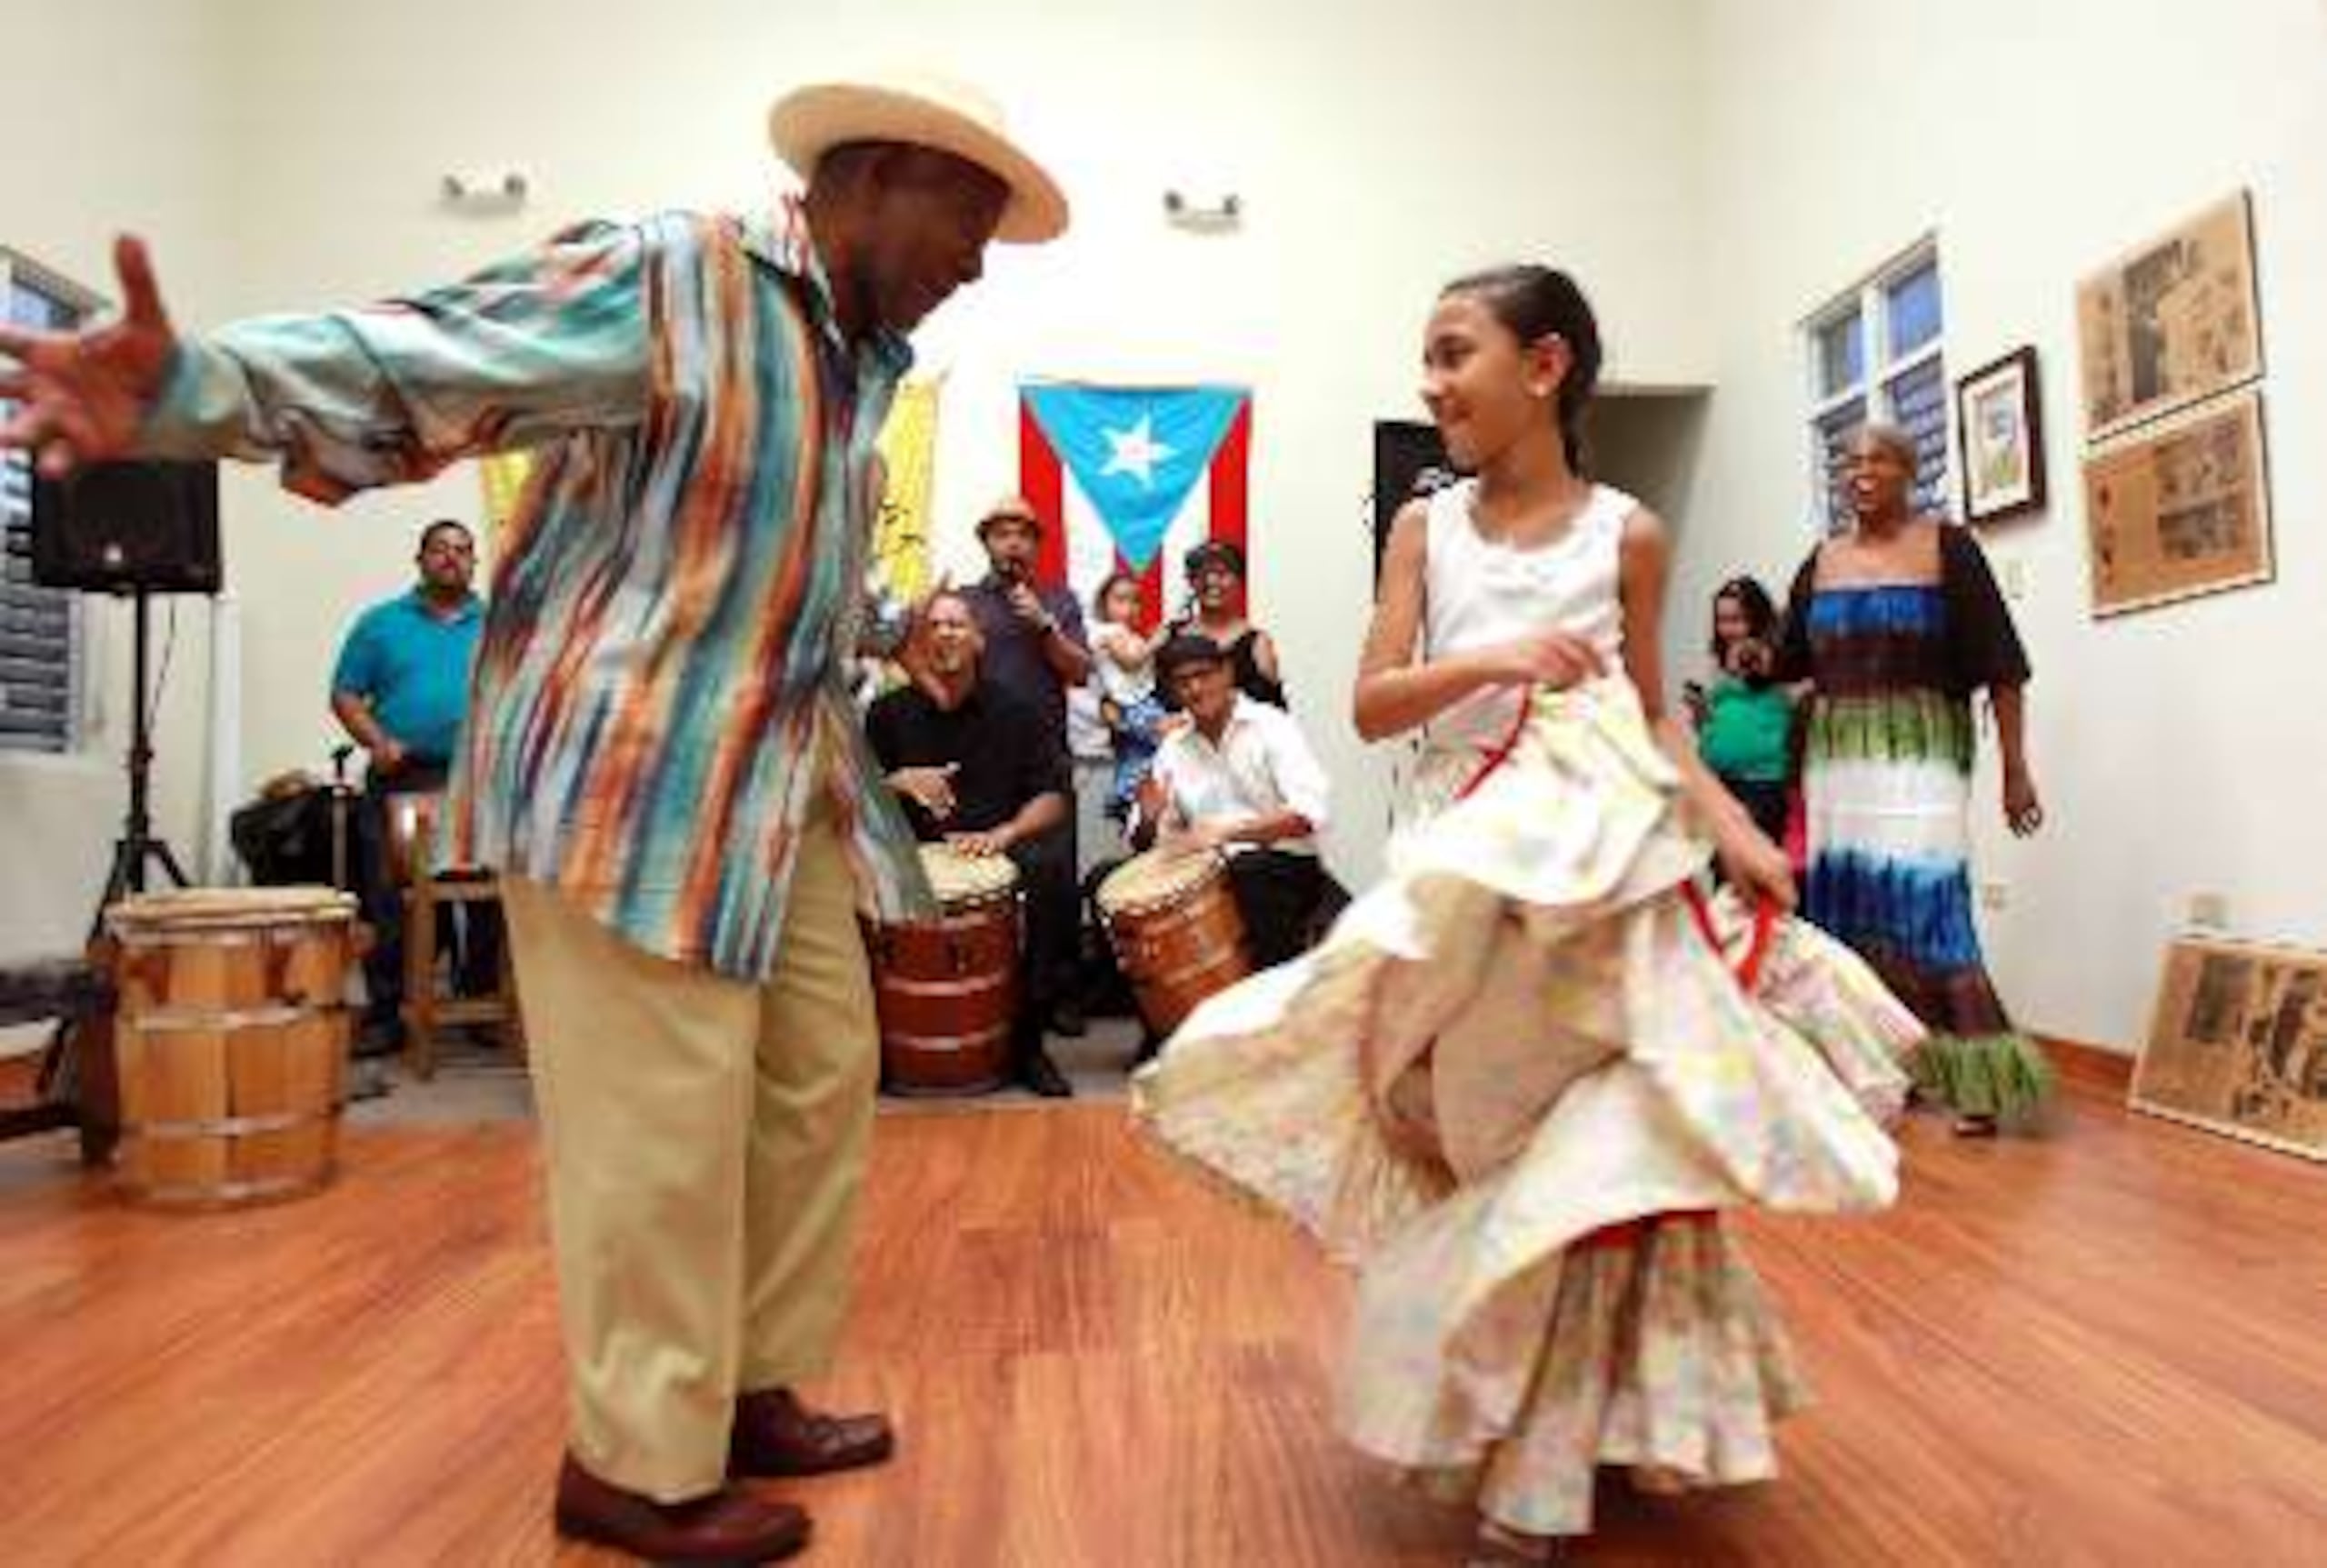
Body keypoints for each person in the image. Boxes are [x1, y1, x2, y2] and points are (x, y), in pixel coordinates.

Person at [1, 70, 1068, 1564]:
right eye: (968, 219)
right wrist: (194, 392)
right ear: (880, 172)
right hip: (634, 777)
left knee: (821, 1078)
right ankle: (636, 1461)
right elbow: (434, 353)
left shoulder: (853, 355)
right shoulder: (676, 275)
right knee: (663, 1128)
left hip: (787, 783)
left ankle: (746, 1385)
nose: (975, 262)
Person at [1133, 265, 1917, 1559]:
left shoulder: (1630, 533)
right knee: (1475, 1137)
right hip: (1465, 859)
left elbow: (1658, 712)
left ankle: (1571, 1440)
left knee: (1609, 1150)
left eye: (1454, 353)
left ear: (1543, 366)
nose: (1430, 381)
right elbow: (1379, 702)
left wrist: (1737, 834)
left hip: (1606, 862)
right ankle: (1522, 1406)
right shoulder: (1423, 531)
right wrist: (1495, 657)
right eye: (1425, 357)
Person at [1773, 422, 2051, 1136]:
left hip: (1922, 756)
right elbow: (1787, 661)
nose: (1860, 472)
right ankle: (1872, 1069)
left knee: (1931, 907)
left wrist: (2014, 770)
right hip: (1839, 767)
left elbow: (2003, 666)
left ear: (1910, 472)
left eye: (1878, 460)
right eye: (1850, 461)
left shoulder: (1948, 548)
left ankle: (1977, 1082)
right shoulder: (1823, 559)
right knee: (1847, 911)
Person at [864, 590, 1079, 1097]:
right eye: (934, 626)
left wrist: (1004, 834)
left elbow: (1053, 797)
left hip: (997, 849)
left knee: (1048, 872)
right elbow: (850, 792)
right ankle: (882, 1043)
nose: (945, 634)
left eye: (957, 625)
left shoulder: (1017, 711)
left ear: (979, 640)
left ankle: (1029, 1044)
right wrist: (898, 782)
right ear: (919, 640)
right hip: (910, 852)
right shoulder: (887, 713)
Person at [331, 518, 498, 1062]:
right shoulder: (381, 624)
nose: (452, 558)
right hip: (404, 781)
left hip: (478, 782)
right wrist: (376, 741)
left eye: (463, 551)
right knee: (388, 899)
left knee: (485, 903)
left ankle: (480, 1005)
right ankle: (386, 1016)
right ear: (420, 559)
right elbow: (346, 694)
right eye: (440, 549)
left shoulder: (497, 624)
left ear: (474, 563)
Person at [1136, 631, 1340, 969]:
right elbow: (1150, 836)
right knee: (1104, 881)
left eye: (1203, 675)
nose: (1195, 689)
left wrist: (1225, 834)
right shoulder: (1172, 748)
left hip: (1283, 867)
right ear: (1173, 691)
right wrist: (1149, 818)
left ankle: (1272, 1000)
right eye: (1183, 682)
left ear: (1227, 672)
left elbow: (1308, 814)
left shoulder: (1272, 726)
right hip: (1205, 875)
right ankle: (1169, 1015)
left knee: (1249, 869)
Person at [1685, 574, 1794, 849]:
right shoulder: (1716, 661)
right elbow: (1707, 724)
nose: (1728, 629)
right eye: (1722, 620)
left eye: (1736, 619)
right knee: (1721, 864)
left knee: (1756, 862)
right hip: (1719, 781)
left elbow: (1791, 698)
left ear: (1757, 618)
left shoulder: (1776, 656)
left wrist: (1759, 662)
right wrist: (1700, 711)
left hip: (1762, 783)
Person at [1088, 569, 1172, 820]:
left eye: (1135, 600)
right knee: (1170, 741)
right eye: (1121, 600)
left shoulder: (1129, 634)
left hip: (1140, 700)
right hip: (1132, 704)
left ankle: (1125, 796)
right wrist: (1156, 642)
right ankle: (1124, 794)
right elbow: (1130, 662)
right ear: (1104, 605)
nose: (1130, 607)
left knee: (1139, 754)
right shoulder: (1108, 632)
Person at [1166, 538, 1284, 707]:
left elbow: (1276, 713)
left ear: (1239, 581)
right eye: (1203, 574)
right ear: (1192, 582)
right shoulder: (1169, 636)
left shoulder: (1258, 643)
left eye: (1222, 574)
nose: (1212, 582)